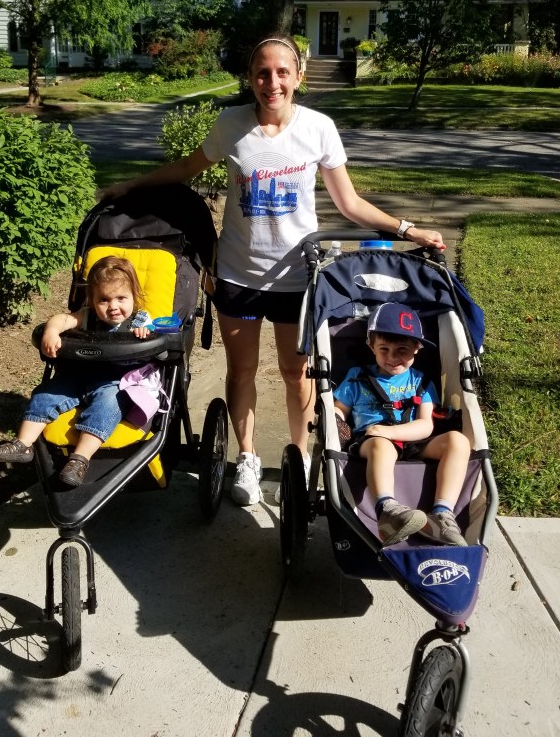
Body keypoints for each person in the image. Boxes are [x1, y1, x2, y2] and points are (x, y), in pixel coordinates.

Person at [103, 34, 445, 507]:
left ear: (298, 76)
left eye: (283, 72)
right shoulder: (231, 124)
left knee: (296, 371)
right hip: (238, 275)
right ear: (250, 78)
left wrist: (407, 229)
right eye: (262, 73)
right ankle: (246, 457)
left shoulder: (319, 128)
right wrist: (131, 186)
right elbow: (186, 168)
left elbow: (349, 203)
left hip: (296, 278)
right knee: (241, 370)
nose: (272, 82)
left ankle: (298, 458)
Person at [0, 256, 153, 487]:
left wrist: (145, 335)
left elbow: (153, 337)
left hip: (115, 383)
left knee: (108, 405)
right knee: (46, 393)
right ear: (93, 300)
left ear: (134, 295)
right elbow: (62, 319)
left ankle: (79, 460)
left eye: (121, 298)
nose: (113, 306)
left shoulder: (140, 321)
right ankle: (23, 444)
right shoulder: (88, 316)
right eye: (104, 300)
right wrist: (51, 331)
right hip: (78, 377)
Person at [333, 303, 470, 546]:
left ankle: (442, 514)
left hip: (412, 440)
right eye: (384, 349)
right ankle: (388, 511)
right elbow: (339, 410)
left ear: (417, 347)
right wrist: (334, 421)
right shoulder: (357, 377)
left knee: (457, 441)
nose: (392, 358)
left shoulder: (421, 381)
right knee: (382, 445)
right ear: (371, 346)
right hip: (370, 441)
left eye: (402, 350)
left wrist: (388, 431)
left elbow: (426, 425)